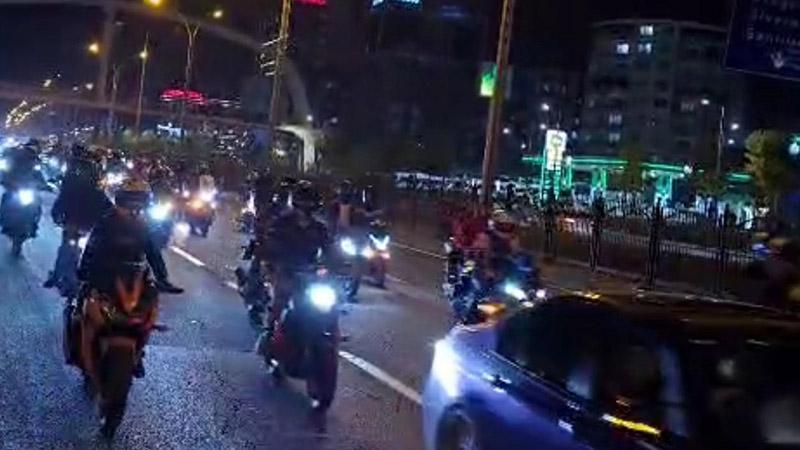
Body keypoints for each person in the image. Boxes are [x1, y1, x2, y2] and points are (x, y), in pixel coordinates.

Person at [77, 179, 178, 377]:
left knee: (149, 306)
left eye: (139, 202)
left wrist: (163, 278)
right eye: (130, 201)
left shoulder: (145, 227)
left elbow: (153, 253)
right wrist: (84, 271)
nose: (134, 208)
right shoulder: (105, 222)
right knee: (81, 305)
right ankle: (82, 349)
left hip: (133, 279)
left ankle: (138, 354)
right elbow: (90, 249)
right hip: (103, 277)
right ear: (120, 200)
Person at [259, 182, 330, 335]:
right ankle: (269, 330)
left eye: (309, 202)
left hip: (310, 273)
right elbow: (270, 243)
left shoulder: (319, 228)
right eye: (303, 201)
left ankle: (330, 331)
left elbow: (330, 250)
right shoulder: (281, 223)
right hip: (286, 269)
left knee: (329, 303)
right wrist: (273, 260)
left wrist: (334, 266)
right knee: (280, 299)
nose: (306, 206)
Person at [44, 145, 114, 290]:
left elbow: (64, 196)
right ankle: (57, 275)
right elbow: (64, 196)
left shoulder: (91, 179)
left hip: (85, 223)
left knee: (77, 249)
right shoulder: (81, 174)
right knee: (68, 247)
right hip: (79, 222)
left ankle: (58, 276)